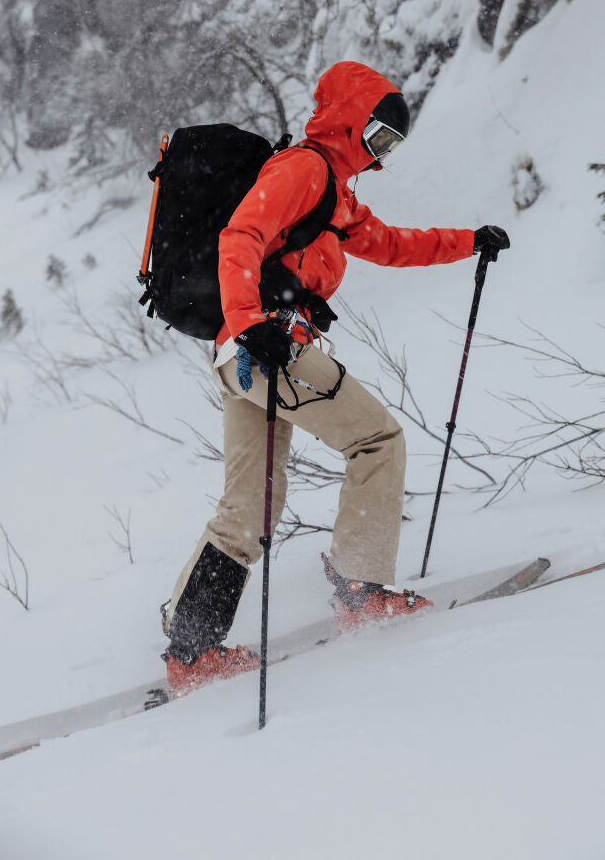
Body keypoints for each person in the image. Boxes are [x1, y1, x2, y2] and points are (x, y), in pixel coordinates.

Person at [161, 60, 509, 692]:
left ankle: (192, 653)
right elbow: (238, 237)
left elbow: (392, 243)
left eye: (392, 146)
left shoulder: (334, 194)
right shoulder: (304, 170)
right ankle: (361, 590)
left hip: (240, 356)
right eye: (377, 136)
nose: (380, 154)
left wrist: (469, 240)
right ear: (351, 120)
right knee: (377, 440)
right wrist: (251, 322)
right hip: (269, 346)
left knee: (251, 505)